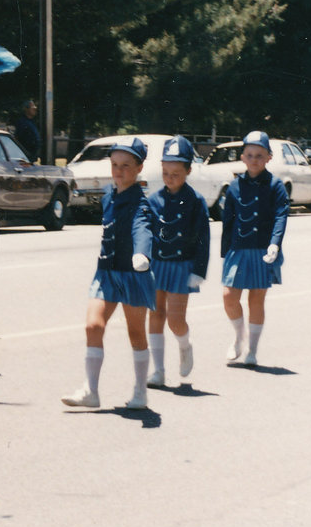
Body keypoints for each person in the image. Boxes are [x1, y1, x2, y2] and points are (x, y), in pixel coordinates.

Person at [62, 137, 154, 410]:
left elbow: (142, 228)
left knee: (136, 333)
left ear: (138, 168)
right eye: (115, 164)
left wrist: (142, 254)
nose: (119, 170)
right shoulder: (108, 195)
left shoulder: (141, 203)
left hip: (133, 274)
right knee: (93, 326)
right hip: (106, 273)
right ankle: (91, 391)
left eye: (126, 165)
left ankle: (140, 391)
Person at [145, 136, 210, 388]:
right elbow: (146, 233)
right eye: (165, 172)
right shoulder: (154, 200)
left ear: (188, 171)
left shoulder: (196, 202)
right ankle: (158, 370)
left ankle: (185, 346)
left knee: (175, 319)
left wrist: (198, 271)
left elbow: (203, 239)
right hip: (157, 265)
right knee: (155, 315)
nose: (169, 178)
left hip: (182, 266)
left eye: (175, 173)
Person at [221, 131, 288, 367]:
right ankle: (239, 337)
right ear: (243, 157)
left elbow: (281, 215)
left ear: (269, 157)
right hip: (238, 249)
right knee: (229, 296)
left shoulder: (275, 185)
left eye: (259, 155)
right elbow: (228, 220)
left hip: (262, 250)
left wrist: (275, 244)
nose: (254, 160)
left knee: (256, 299)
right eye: (250, 155)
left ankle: (252, 349)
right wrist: (225, 252)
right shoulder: (235, 186)